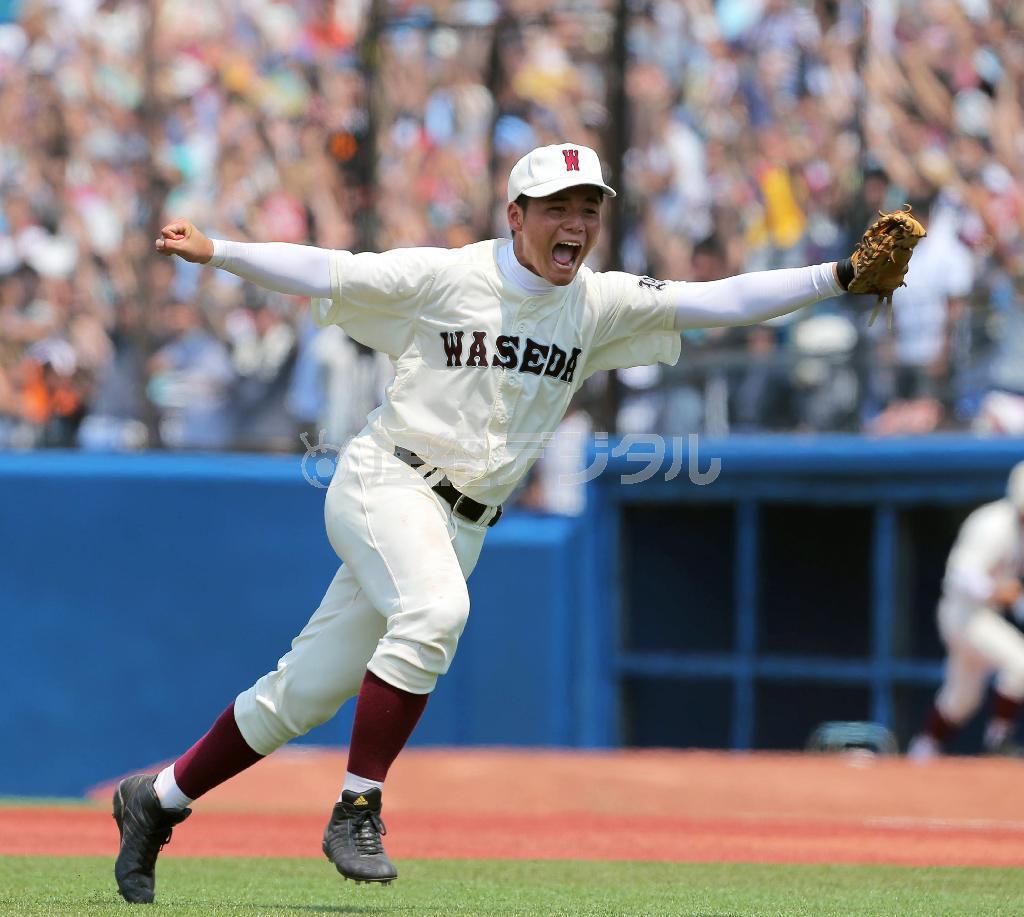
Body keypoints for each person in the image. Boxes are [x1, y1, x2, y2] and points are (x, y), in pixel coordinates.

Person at [112, 142, 864, 904]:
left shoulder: (596, 301)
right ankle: (358, 807)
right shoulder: (450, 276)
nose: (576, 222)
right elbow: (330, 269)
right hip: (388, 476)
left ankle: (160, 796)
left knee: (303, 692)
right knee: (437, 611)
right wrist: (220, 253)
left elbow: (719, 300)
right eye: (558, 207)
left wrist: (836, 276)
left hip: (462, 522)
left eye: (588, 207)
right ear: (517, 216)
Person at [908, 461, 1024, 761]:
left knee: (961, 699)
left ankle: (922, 751)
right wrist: (995, 591)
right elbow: (960, 574)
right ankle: (998, 742)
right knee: (1021, 663)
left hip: (983, 615)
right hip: (963, 613)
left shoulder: (1020, 532)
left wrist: (1007, 596)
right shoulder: (993, 523)